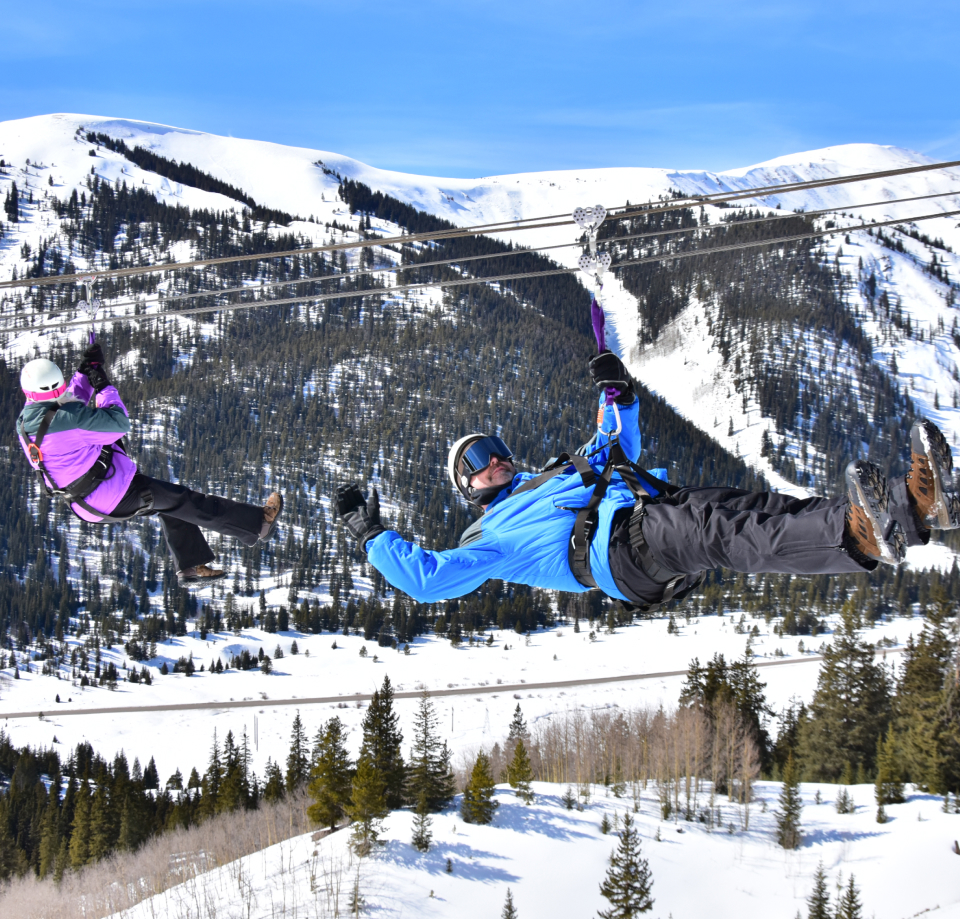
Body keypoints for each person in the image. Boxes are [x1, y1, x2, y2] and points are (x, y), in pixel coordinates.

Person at [336, 349, 959, 611]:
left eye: (493, 449)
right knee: (722, 529)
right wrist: (372, 538)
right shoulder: (486, 538)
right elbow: (426, 581)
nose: (493, 462)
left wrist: (618, 392)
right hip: (618, 553)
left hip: (646, 513)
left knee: (751, 508)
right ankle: (864, 535)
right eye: (475, 464)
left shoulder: (552, 475)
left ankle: (908, 510)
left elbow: (614, 445)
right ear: (465, 489)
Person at [17, 343, 284, 585]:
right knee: (188, 501)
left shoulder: (26, 422)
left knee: (171, 503)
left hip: (84, 503)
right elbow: (118, 423)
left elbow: (60, 405)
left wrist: (85, 373)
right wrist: (103, 386)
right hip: (114, 494)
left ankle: (191, 566)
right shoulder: (68, 420)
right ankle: (259, 524)